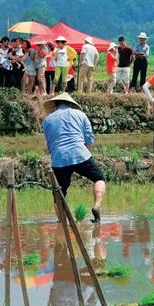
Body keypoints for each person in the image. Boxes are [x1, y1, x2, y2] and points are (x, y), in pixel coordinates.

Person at [41, 93, 106, 222]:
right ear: (71, 104)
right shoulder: (80, 115)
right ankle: (97, 205)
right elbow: (89, 139)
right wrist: (82, 154)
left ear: (55, 105)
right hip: (80, 154)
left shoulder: (47, 120)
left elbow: (49, 145)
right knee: (99, 178)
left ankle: (61, 223)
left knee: (59, 192)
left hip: (59, 158)